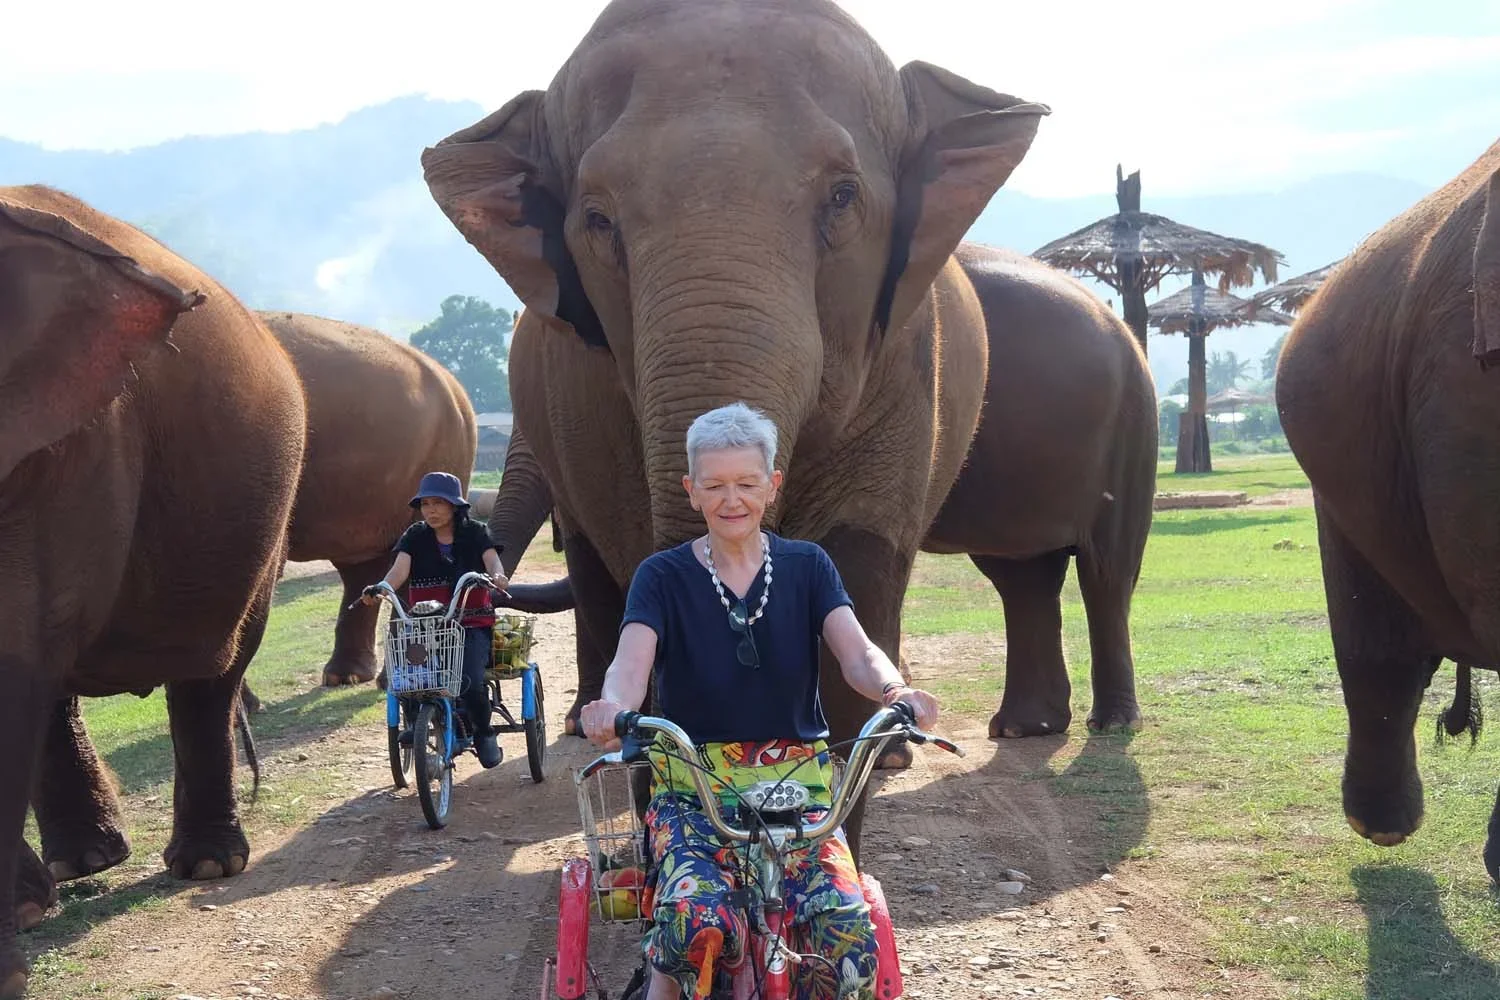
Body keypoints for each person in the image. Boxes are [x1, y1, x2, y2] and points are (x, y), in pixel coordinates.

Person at [580, 402, 940, 1000]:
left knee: (847, 933)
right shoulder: (661, 576)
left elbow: (857, 652)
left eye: (747, 483)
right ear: (690, 490)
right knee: (692, 924)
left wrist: (895, 689)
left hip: (800, 792)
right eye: (715, 485)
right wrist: (609, 706)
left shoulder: (807, 566)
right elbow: (629, 665)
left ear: (772, 487)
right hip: (692, 790)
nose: (732, 499)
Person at [363, 471, 510, 768]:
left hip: (471, 623)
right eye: (425, 504)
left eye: (437, 503)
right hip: (427, 625)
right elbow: (399, 570)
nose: (430, 510)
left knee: (470, 679)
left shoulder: (476, 532)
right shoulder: (415, 536)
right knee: (410, 678)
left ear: (454, 505)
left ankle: (484, 732)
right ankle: (418, 724)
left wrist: (497, 576)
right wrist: (382, 588)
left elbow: (492, 559)